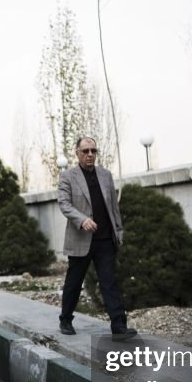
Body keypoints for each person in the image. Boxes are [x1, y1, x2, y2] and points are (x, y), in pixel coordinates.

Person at [57, 136, 137, 341]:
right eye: (85, 151)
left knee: (109, 283)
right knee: (74, 283)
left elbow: (113, 207)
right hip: (80, 239)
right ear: (77, 154)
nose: (90, 155)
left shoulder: (105, 175)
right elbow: (64, 204)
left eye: (93, 150)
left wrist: (118, 231)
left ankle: (119, 327)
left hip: (104, 240)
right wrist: (82, 219)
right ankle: (65, 319)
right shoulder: (68, 176)